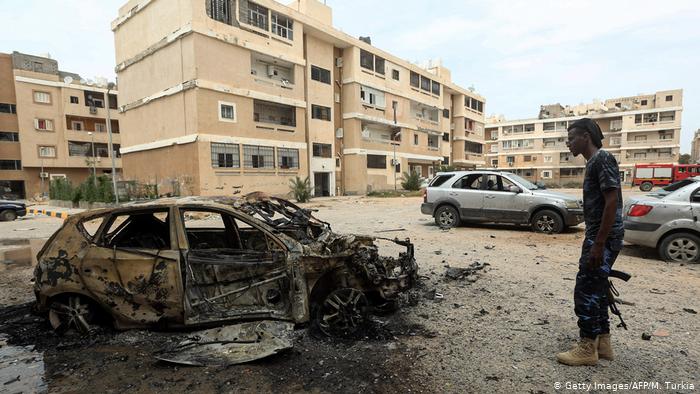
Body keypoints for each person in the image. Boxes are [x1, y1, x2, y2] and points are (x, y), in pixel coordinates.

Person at [557, 118, 624, 366]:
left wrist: (598, 243)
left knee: (584, 290)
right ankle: (603, 344)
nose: (568, 144)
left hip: (602, 239)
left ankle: (587, 348)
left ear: (586, 136)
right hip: (601, 237)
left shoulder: (602, 159)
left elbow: (612, 201)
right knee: (597, 287)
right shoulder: (594, 162)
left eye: (571, 138)